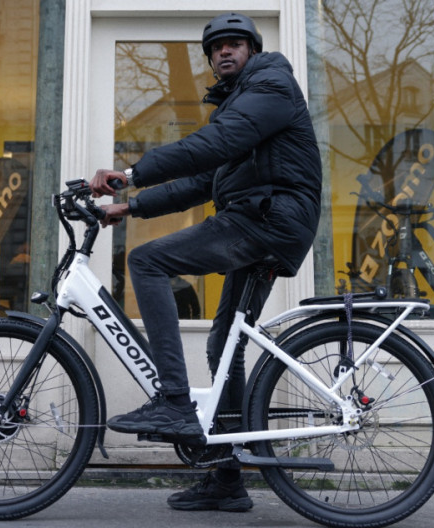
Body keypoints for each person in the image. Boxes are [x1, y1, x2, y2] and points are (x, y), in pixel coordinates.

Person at [90, 13, 321, 512]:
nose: (224, 52)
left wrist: (128, 174)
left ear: (253, 50)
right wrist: (131, 206)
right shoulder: (239, 108)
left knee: (148, 261)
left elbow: (211, 147)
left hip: (267, 219)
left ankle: (174, 402)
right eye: (215, 48)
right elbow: (204, 180)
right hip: (263, 218)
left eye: (235, 43)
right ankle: (227, 477)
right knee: (223, 344)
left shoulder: (271, 84)